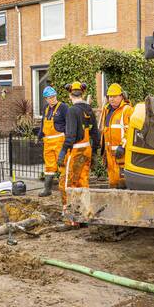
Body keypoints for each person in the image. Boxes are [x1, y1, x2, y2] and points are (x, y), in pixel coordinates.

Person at [58, 82, 99, 214]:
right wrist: (94, 153)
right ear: (83, 93)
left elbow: (70, 135)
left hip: (76, 151)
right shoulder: (89, 110)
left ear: (70, 94)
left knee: (67, 184)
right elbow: (96, 134)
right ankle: (85, 213)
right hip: (87, 150)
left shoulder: (72, 111)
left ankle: (71, 217)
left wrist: (63, 152)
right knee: (83, 183)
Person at [99, 83, 133, 189]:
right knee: (112, 182)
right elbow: (105, 130)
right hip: (110, 154)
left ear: (121, 96)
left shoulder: (127, 110)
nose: (111, 99)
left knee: (123, 182)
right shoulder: (106, 109)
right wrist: (103, 149)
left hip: (121, 153)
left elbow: (131, 131)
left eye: (114, 96)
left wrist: (122, 146)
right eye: (109, 96)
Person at [36, 85, 67, 197]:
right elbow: (43, 123)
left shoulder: (63, 107)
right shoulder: (46, 108)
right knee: (49, 167)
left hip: (60, 141)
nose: (52, 99)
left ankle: (64, 190)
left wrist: (68, 140)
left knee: (62, 165)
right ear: (46, 99)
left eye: (54, 96)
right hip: (48, 142)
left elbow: (68, 124)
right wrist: (39, 135)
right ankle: (47, 189)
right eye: (50, 97)